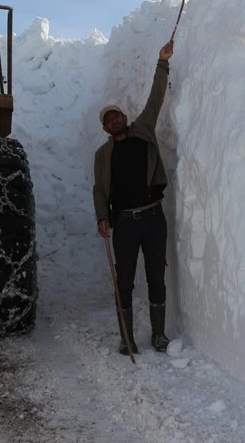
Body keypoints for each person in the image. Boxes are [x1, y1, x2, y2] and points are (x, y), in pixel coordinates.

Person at [93, 40, 175, 354]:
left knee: (156, 276)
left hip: (153, 217)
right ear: (104, 128)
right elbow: (99, 189)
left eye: (118, 116)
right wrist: (102, 216)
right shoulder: (103, 155)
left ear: (126, 117)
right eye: (109, 120)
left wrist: (162, 62)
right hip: (125, 223)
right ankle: (127, 339)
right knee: (123, 281)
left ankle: (158, 335)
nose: (116, 120)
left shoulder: (143, 130)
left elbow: (156, 97)